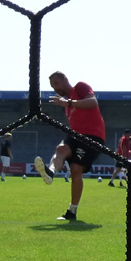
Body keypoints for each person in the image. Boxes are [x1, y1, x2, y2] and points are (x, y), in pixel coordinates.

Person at [34, 71, 106, 221]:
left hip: (92, 135)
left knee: (76, 169)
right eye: (52, 86)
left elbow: (93, 102)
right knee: (61, 149)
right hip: (75, 135)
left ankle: (72, 211)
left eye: (56, 83)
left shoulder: (80, 87)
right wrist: (67, 104)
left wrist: (68, 103)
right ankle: (50, 172)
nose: (55, 88)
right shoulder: (67, 105)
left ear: (65, 80)